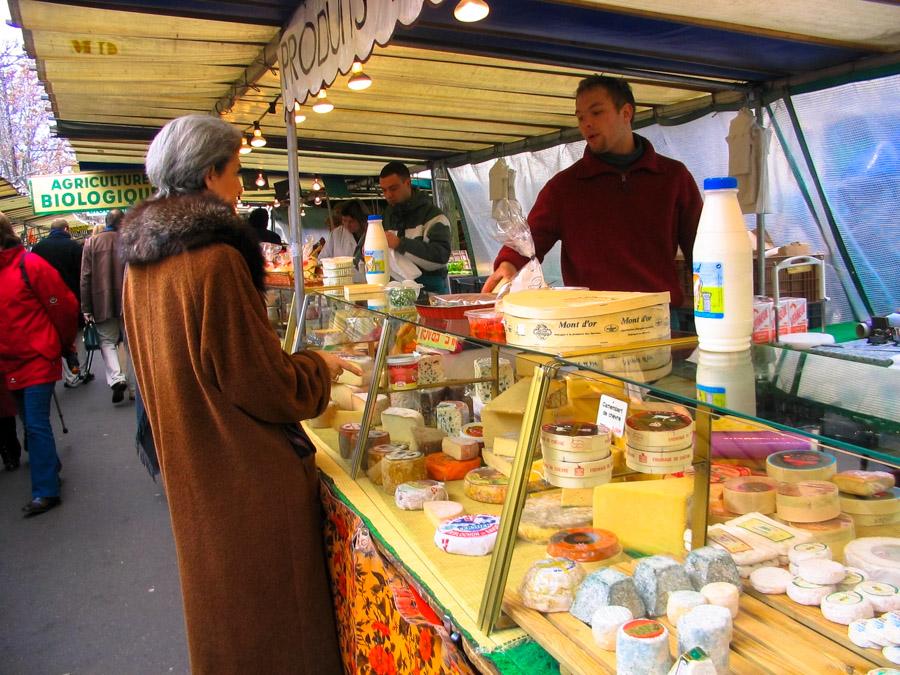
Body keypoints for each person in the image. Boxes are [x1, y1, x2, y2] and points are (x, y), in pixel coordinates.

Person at [119, 114, 356, 673]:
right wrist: (317, 366)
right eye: (236, 171)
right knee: (278, 624)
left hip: (192, 465)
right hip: (246, 475)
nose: (240, 185)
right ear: (208, 176)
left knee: (222, 615)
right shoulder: (217, 260)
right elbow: (265, 386)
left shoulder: (140, 265)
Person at [483, 75, 702, 308]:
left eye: (596, 113)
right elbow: (530, 237)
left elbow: (703, 248)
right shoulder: (565, 187)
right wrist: (509, 263)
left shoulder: (673, 177)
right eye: (580, 117)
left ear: (626, 113)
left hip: (659, 315)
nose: (586, 123)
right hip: (588, 321)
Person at [0, 211, 79, 516]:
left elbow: (62, 305)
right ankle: (50, 466)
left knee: (34, 423)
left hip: (36, 357)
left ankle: (46, 489)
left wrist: (62, 344)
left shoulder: (29, 265)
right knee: (28, 421)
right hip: (10, 361)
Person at [80, 208, 133, 403]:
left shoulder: (91, 243)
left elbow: (85, 277)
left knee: (107, 342)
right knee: (131, 344)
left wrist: (86, 307)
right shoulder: (129, 241)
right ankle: (135, 388)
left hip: (101, 300)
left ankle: (117, 378)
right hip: (128, 300)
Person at [378, 161, 452, 293]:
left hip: (431, 295)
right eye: (384, 190)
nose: (388, 195)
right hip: (396, 295)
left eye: (393, 188)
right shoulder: (385, 217)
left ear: (408, 183)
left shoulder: (433, 216)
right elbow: (361, 253)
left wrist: (400, 244)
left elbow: (441, 256)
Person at [32, 218, 85, 387]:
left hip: (46, 301)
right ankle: (78, 370)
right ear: (66, 229)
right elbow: (82, 274)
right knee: (76, 334)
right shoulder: (74, 247)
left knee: (54, 335)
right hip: (72, 297)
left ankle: (67, 372)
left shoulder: (38, 248)